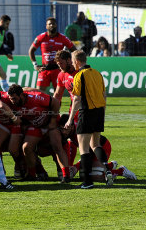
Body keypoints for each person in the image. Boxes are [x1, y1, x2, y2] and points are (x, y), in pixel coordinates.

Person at [64, 50, 110, 189]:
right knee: (95, 144)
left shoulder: (79, 76)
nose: (72, 63)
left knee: (83, 148)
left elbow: (77, 99)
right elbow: (104, 95)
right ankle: (107, 169)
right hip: (99, 112)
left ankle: (88, 182)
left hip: (86, 112)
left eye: (73, 61)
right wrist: (102, 112)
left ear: (77, 61)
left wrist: (70, 120)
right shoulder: (97, 74)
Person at [29, 17, 76, 92]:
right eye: (49, 24)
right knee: (39, 92)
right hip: (44, 69)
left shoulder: (63, 38)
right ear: (46, 26)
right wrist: (35, 65)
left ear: (56, 25)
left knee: (57, 92)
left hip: (58, 69)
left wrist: (69, 62)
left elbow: (74, 50)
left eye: (53, 24)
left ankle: (56, 104)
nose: (51, 25)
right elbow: (31, 50)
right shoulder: (41, 37)